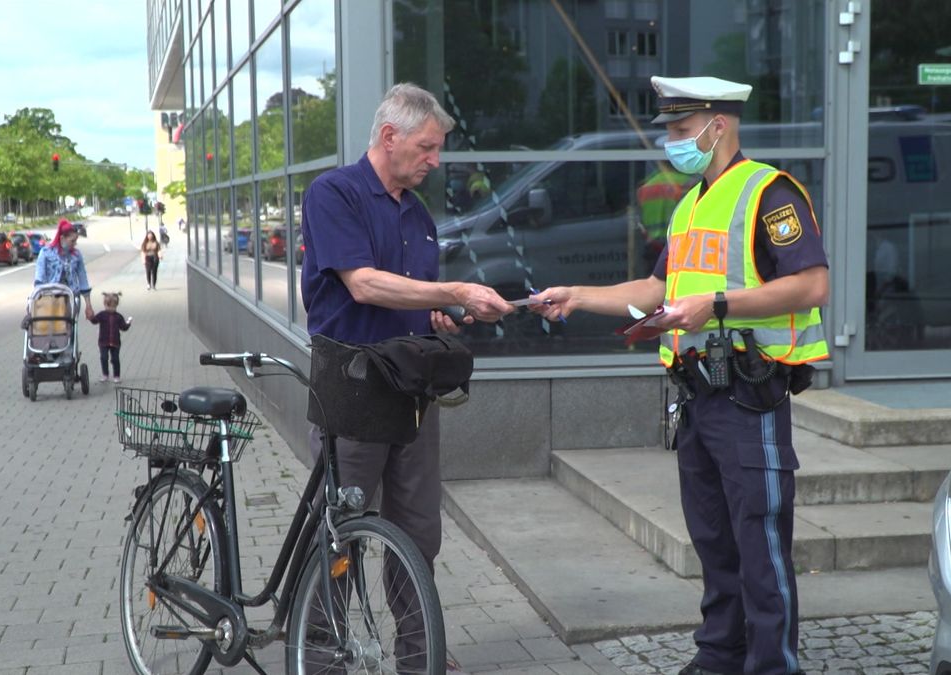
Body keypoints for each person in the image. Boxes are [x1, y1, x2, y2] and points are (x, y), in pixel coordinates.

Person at [532, 76, 829, 675]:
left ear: (718, 125)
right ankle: (719, 657)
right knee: (715, 545)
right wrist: (580, 295)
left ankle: (773, 666)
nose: (670, 140)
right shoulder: (691, 203)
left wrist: (715, 305)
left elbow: (812, 284)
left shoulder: (768, 192)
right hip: (698, 398)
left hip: (751, 397)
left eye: (679, 128)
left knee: (760, 547)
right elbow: (658, 289)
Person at [300, 83, 513, 666]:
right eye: (427, 147)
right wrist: (454, 288)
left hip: (411, 393)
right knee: (338, 533)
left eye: (438, 149)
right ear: (389, 137)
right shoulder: (333, 194)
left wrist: (445, 313)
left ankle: (421, 658)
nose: (435, 160)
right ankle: (317, 655)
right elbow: (363, 284)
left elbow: (409, 300)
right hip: (353, 387)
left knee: (418, 535)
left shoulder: (417, 214)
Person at [34, 219, 94, 320]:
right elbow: (39, 278)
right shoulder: (45, 253)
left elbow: (83, 280)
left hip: (70, 298)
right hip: (49, 298)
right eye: (72, 241)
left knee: (68, 328)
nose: (75, 244)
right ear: (62, 238)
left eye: (76, 240)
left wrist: (88, 305)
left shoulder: (76, 256)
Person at [89, 291, 131, 383]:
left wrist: (128, 323)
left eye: (113, 306)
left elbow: (123, 327)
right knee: (104, 358)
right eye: (108, 306)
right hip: (103, 342)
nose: (111, 308)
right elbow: (95, 321)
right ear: (105, 305)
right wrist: (91, 316)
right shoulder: (102, 314)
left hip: (115, 342)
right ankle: (105, 374)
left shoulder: (118, 317)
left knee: (115, 359)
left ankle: (116, 375)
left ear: (116, 305)